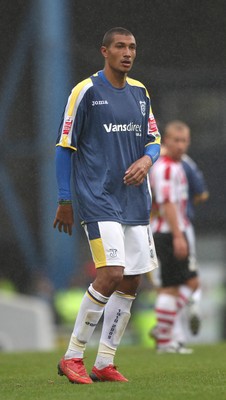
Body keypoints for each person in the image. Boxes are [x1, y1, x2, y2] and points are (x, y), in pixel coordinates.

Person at [53, 27, 161, 384]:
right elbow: (64, 147)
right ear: (104, 51)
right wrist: (65, 199)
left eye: (132, 46)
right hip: (98, 199)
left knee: (130, 281)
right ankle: (72, 357)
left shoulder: (140, 93)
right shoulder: (85, 92)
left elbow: (154, 140)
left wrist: (148, 160)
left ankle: (105, 362)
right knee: (111, 273)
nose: (127, 52)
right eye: (120, 46)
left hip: (135, 200)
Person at [149, 120, 201, 353]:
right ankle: (163, 331)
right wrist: (179, 236)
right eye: (176, 140)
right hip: (169, 232)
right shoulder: (166, 167)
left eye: (184, 141)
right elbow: (167, 203)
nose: (180, 145)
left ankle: (163, 334)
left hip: (170, 231)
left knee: (178, 284)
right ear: (166, 141)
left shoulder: (176, 165)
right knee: (180, 285)